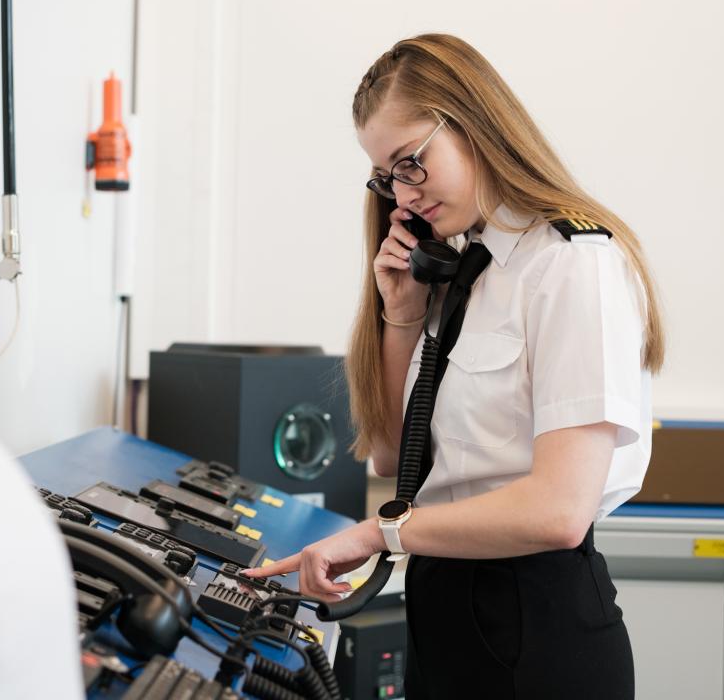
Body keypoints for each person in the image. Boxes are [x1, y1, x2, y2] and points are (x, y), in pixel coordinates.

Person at [242, 34, 664, 698]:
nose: (402, 197)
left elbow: (559, 511)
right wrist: (402, 315)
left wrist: (381, 535)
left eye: (412, 163)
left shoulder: (572, 264)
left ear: (472, 122)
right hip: (445, 612)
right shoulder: (461, 268)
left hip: (533, 624)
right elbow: (389, 457)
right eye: (386, 177)